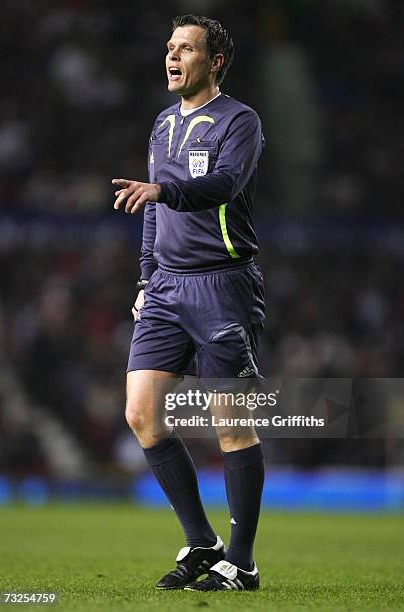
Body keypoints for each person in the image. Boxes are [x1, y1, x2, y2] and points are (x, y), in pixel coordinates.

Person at [112, 14, 265, 592]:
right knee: (141, 415)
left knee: (231, 426)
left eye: (187, 49)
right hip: (166, 289)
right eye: (170, 48)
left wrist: (163, 189)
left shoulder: (239, 121)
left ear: (215, 61)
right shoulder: (161, 125)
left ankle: (243, 562)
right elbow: (153, 209)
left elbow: (224, 185)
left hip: (223, 284)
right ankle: (202, 540)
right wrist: (146, 276)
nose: (173, 58)